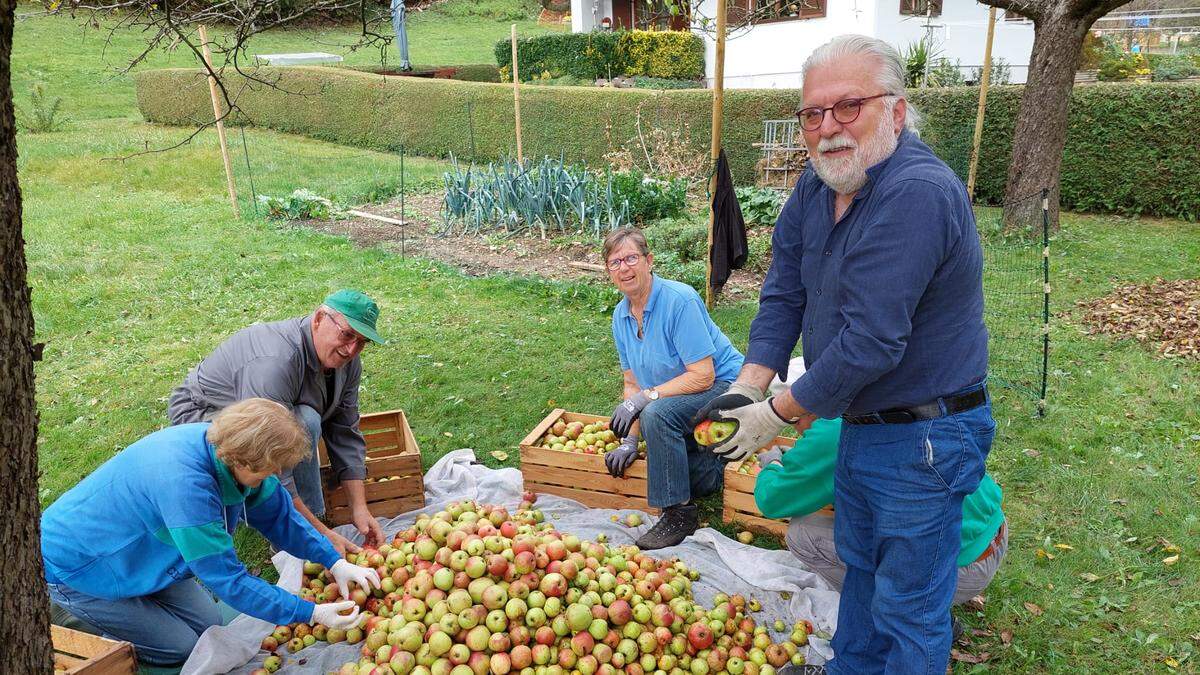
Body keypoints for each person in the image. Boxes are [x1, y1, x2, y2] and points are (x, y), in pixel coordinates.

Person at [696, 35, 994, 674]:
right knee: (861, 575)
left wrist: (777, 412)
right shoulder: (816, 185)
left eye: (848, 106)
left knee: (909, 605)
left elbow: (871, 341)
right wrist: (750, 384)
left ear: (896, 109)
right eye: (812, 113)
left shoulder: (915, 193)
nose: (827, 128)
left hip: (926, 436)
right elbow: (782, 293)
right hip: (861, 425)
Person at [41, 398, 380, 666]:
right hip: (81, 565)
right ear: (243, 461)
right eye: (269, 468)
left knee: (210, 626)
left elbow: (280, 518)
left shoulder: (231, 455)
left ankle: (141, 599)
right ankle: (78, 617)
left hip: (142, 552)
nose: (275, 473)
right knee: (181, 648)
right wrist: (311, 612)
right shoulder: (187, 487)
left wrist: (333, 561)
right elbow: (227, 580)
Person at [168, 289, 387, 554]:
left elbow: (345, 428)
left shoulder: (347, 362)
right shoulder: (275, 363)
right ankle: (290, 534)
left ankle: (306, 521)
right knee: (301, 424)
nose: (352, 349)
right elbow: (268, 455)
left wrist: (359, 508)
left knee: (304, 421)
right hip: (203, 415)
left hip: (267, 415)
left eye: (362, 342)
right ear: (319, 319)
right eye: (347, 334)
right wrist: (318, 533)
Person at [754, 417, 1009, 608]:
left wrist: (773, 465)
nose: (797, 431)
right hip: (992, 535)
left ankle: (898, 613)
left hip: (953, 572)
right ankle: (927, 610)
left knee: (802, 533)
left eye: (793, 420)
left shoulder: (834, 430)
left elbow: (772, 501)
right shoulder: (893, 399)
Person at [602, 227, 745, 550]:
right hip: (687, 395)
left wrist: (646, 398)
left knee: (657, 414)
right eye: (614, 262)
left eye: (631, 258)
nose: (624, 268)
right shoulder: (620, 316)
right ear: (608, 272)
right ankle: (718, 461)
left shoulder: (680, 301)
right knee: (680, 469)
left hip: (728, 387)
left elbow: (703, 376)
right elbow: (631, 383)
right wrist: (629, 441)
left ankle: (679, 514)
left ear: (649, 261)